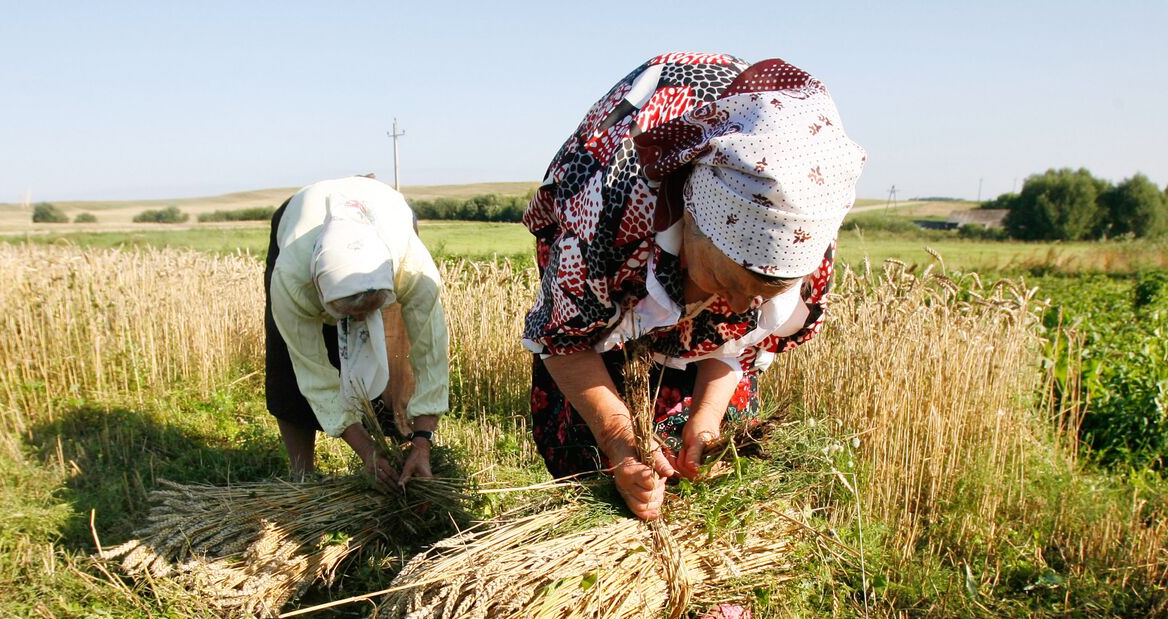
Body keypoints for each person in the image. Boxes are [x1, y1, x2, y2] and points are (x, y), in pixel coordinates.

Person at [522, 54, 866, 519]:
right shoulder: (608, 213)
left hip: (698, 305)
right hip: (599, 334)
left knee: (715, 469)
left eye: (765, 295)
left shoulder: (803, 219)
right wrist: (621, 442)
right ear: (691, 225)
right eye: (728, 280)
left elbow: (742, 341)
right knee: (601, 468)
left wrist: (705, 420)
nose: (741, 305)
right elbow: (564, 343)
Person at [264, 176, 449, 489]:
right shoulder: (291, 279)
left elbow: (430, 353)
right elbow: (311, 371)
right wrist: (366, 451)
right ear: (318, 288)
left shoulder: (410, 264)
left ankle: (405, 455)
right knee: (287, 369)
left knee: (395, 357)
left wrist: (423, 441)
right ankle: (303, 478)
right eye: (350, 313)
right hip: (299, 220)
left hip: (385, 217)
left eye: (370, 310)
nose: (361, 320)